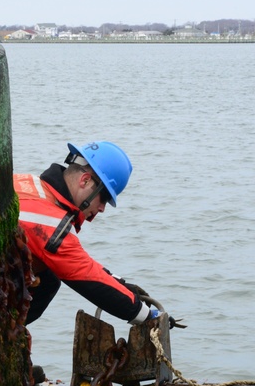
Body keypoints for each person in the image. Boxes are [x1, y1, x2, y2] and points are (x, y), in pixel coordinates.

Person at [14, 140, 160, 328]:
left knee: (48, 277)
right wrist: (147, 316)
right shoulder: (48, 221)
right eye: (104, 198)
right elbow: (85, 276)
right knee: (49, 281)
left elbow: (82, 263)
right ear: (85, 180)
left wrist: (122, 286)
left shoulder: (28, 183)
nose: (102, 208)